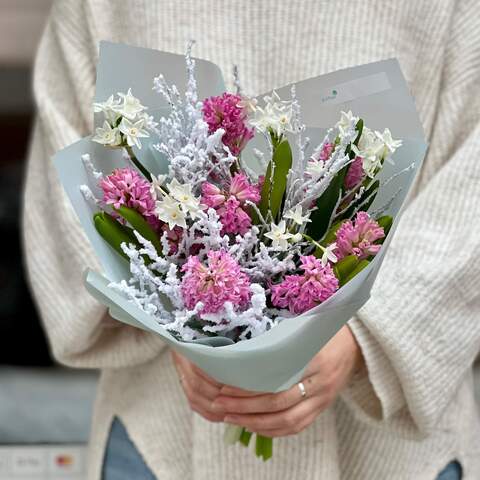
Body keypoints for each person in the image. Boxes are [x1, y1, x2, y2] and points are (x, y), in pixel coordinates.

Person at [23, 1, 480, 479]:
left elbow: (466, 195)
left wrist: (358, 341)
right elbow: (72, 166)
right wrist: (182, 324)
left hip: (390, 459)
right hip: (161, 443)